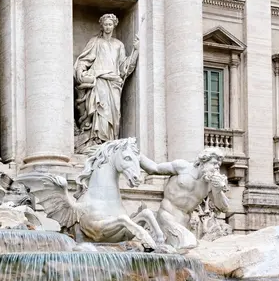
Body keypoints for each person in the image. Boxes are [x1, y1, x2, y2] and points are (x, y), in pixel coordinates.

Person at [139, 148, 230, 249]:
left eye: (219, 165)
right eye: (214, 163)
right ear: (203, 162)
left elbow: (224, 207)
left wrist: (218, 190)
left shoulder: (210, 184)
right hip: (167, 215)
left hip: (184, 223)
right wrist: (137, 154)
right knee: (188, 243)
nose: (217, 167)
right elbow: (154, 168)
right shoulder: (182, 167)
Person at [74, 13, 139, 152]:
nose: (108, 27)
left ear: (114, 25)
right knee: (101, 112)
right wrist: (80, 71)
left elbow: (124, 68)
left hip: (114, 82)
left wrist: (136, 51)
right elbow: (84, 60)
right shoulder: (95, 42)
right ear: (102, 26)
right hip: (100, 80)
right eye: (105, 24)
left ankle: (110, 142)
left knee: (114, 115)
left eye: (110, 24)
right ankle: (97, 141)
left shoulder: (119, 45)